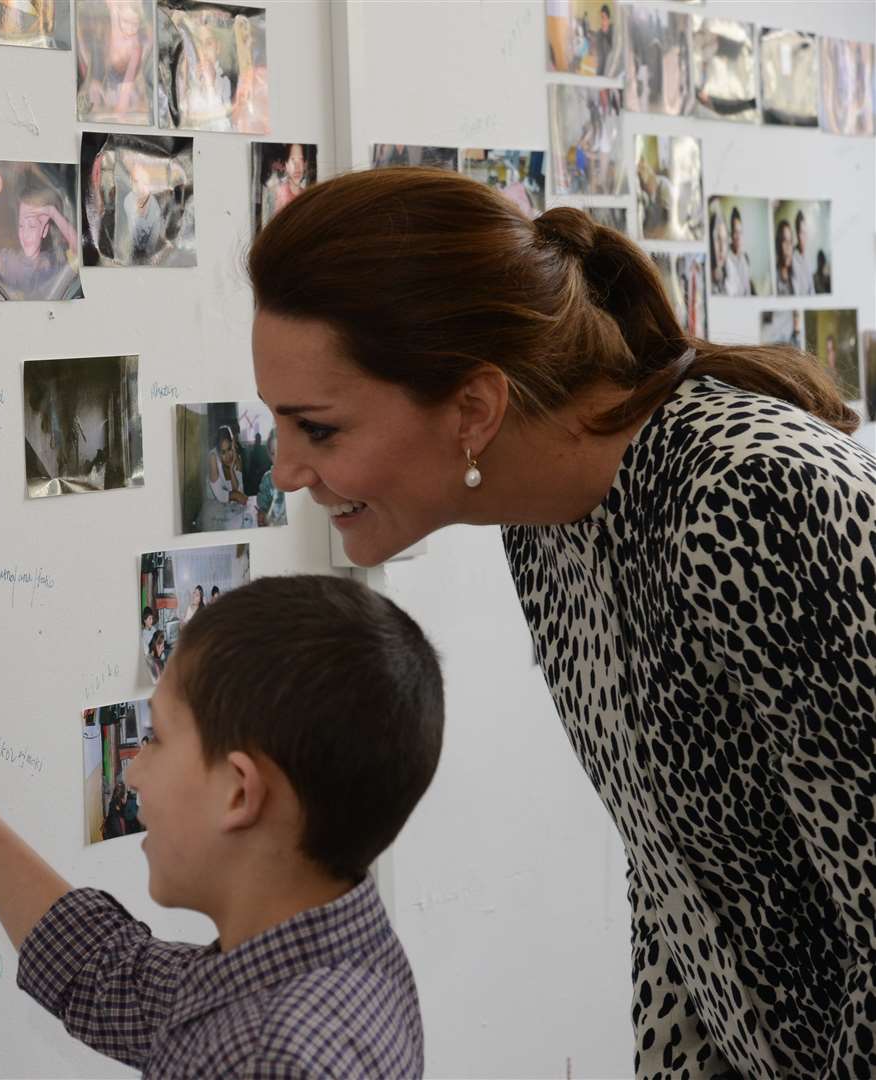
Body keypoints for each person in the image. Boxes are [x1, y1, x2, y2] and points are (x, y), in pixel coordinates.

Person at [248, 167, 874, 1077]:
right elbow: (676, 888)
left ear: (473, 409)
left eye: (318, 428)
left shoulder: (755, 499)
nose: (287, 470)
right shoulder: (547, 527)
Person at [0, 574, 443, 1076]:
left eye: (157, 740)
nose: (132, 775)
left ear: (239, 793)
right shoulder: (333, 958)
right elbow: (103, 971)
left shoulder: (270, 1057)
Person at [0, 175, 80, 300]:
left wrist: (52, 212)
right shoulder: (7, 261)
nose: (25, 234)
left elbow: (79, 251)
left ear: (44, 230)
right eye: (21, 225)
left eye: (32, 226)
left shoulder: (56, 263)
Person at [722, 205, 754, 297]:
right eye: (736, 232)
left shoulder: (745, 258)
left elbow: (748, 288)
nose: (738, 237)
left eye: (740, 232)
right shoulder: (726, 257)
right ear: (731, 234)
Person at [789, 209, 814, 295]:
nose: (803, 237)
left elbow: (811, 287)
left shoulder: (808, 255)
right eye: (801, 233)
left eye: (805, 232)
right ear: (796, 234)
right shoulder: (792, 258)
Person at [773, 217, 796, 295]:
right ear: (778, 245)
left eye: (790, 242)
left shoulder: (795, 274)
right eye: (784, 241)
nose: (788, 247)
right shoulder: (773, 278)